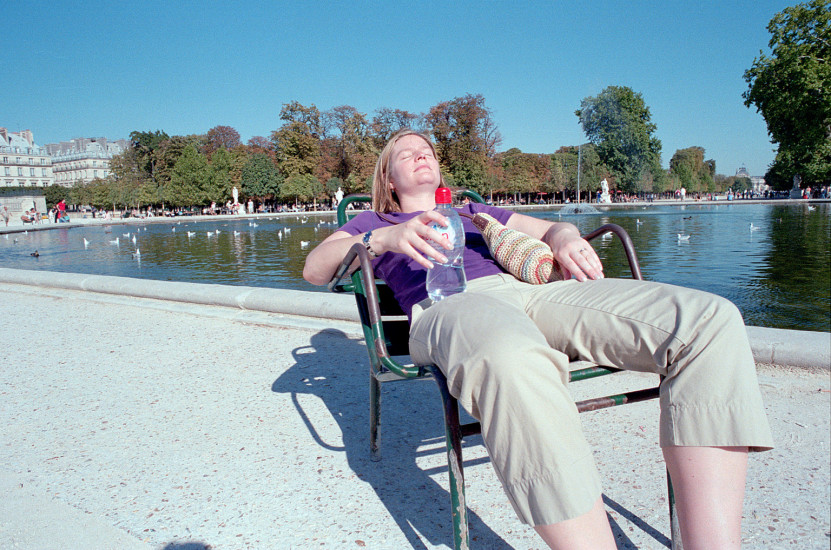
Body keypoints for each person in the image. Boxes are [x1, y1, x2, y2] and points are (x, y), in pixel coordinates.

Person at [303, 130, 773, 550]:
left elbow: (551, 228)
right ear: (388, 178)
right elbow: (314, 268)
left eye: (426, 150)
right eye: (406, 154)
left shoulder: (472, 210)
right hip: (454, 305)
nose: (421, 155)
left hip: (537, 294)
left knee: (707, 322)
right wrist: (384, 240)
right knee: (509, 355)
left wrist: (566, 237)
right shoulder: (372, 222)